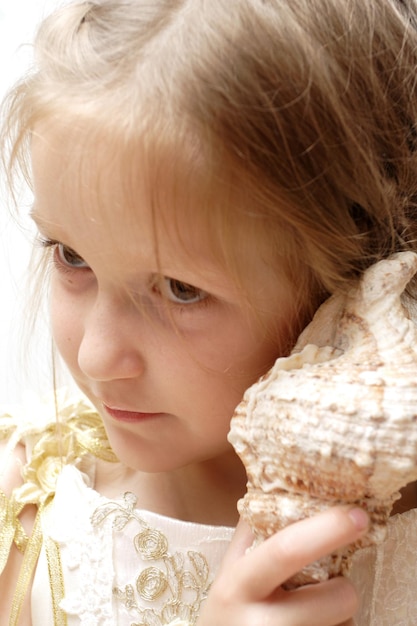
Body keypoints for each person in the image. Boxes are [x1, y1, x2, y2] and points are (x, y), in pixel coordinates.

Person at [1, 0, 417, 624]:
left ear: (350, 282)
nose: (95, 356)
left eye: (180, 289)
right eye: (71, 256)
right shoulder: (24, 510)